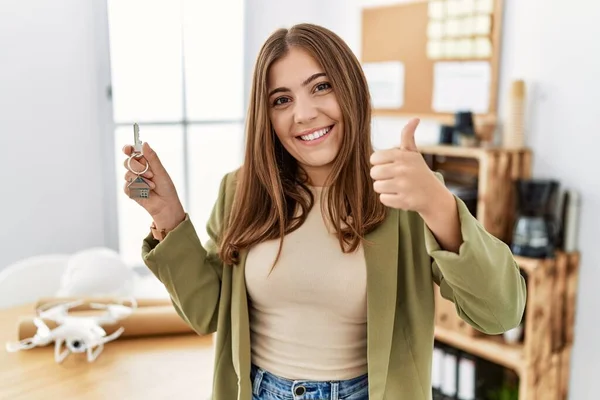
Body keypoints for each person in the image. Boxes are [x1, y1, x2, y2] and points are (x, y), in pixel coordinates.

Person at [122, 23, 526, 400]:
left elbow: (500, 312)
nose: (304, 114)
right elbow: (207, 313)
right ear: (268, 117)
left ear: (350, 88)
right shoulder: (241, 190)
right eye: (282, 100)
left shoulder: (403, 191)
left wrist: (437, 204)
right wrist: (168, 215)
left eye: (321, 87)